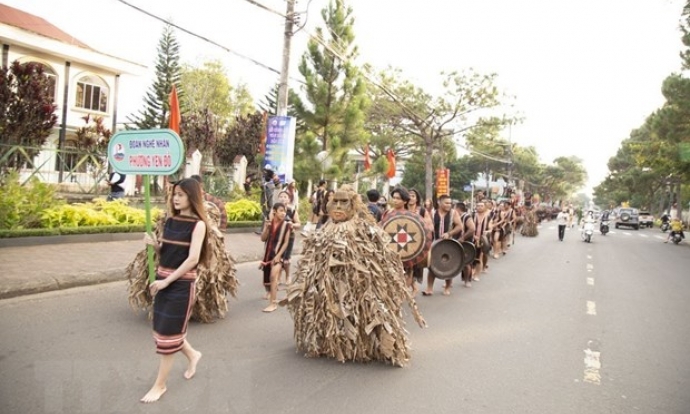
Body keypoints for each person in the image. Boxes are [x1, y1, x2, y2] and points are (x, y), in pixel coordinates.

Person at [282, 185, 425, 367]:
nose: (339, 207)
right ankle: (331, 342)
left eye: (344, 202)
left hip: (356, 284)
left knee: (356, 312)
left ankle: (361, 346)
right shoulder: (325, 229)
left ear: (354, 205)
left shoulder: (363, 229)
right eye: (336, 202)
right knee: (329, 311)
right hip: (327, 284)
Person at [139, 178, 207, 403]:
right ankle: (193, 354)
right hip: (162, 280)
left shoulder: (199, 225)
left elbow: (192, 259)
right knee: (165, 329)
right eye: (174, 194)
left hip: (180, 285)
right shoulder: (170, 221)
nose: (175, 198)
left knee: (168, 335)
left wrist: (167, 282)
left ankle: (160, 385)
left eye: (181, 195)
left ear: (192, 197)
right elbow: (167, 253)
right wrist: (155, 245)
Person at [423, 194, 463, 296]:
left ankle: (447, 287)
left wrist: (449, 233)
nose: (449, 205)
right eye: (446, 203)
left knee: (449, 266)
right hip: (434, 243)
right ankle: (429, 288)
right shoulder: (432, 212)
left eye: (450, 203)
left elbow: (459, 226)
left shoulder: (453, 213)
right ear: (439, 203)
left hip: (449, 244)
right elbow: (426, 225)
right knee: (431, 265)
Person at [260, 202, 292, 313]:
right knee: (268, 278)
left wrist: (278, 256)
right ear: (274, 211)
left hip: (280, 255)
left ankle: (273, 304)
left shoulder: (287, 225)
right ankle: (271, 294)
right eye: (281, 211)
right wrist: (267, 229)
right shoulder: (269, 223)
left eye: (284, 211)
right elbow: (263, 239)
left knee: (273, 276)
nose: (283, 213)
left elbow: (286, 243)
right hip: (268, 255)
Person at [277, 190, 301, 284]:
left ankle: (288, 276)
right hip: (277, 238)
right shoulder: (275, 210)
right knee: (277, 258)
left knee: (286, 260)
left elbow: (299, 224)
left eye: (285, 197)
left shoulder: (292, 211)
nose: (283, 198)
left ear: (289, 199)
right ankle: (277, 277)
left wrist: (292, 225)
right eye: (281, 197)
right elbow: (271, 221)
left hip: (289, 237)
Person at [454, 201, 476, 287]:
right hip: (456, 242)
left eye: (454, 208)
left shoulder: (466, 217)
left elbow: (472, 229)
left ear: (458, 208)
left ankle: (467, 280)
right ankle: (449, 282)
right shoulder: (456, 217)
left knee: (466, 263)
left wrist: (463, 237)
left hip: (466, 243)